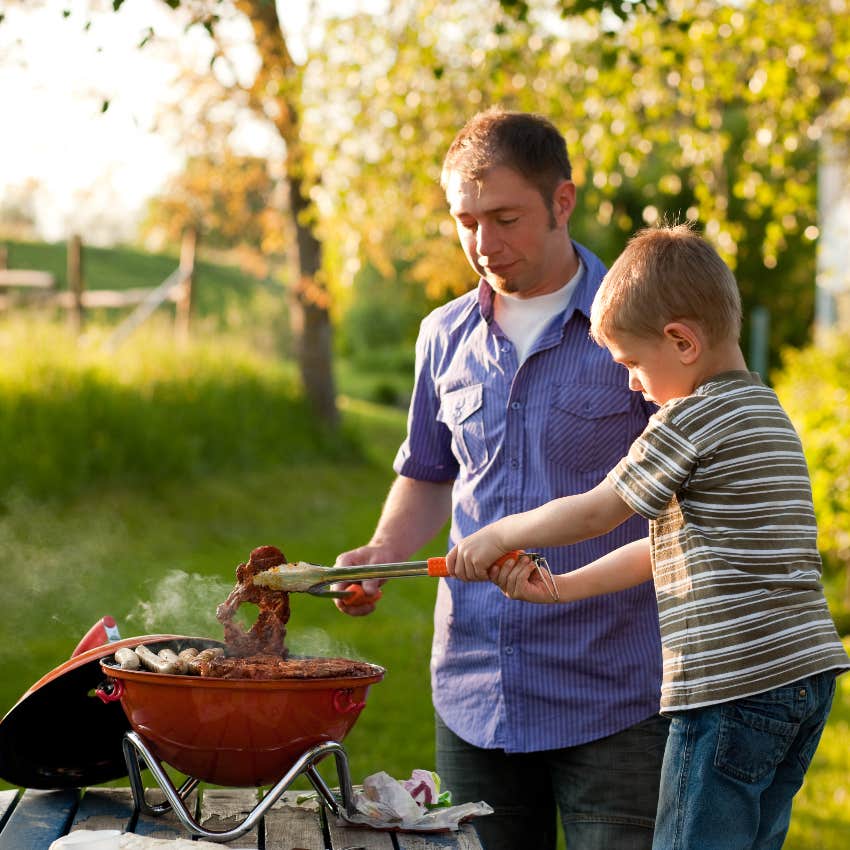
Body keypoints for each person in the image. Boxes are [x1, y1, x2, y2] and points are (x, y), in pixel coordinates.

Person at [447, 223, 850, 850]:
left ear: (682, 342)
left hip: (729, 687)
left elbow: (594, 512)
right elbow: (662, 548)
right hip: (801, 681)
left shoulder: (688, 419)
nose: (632, 383)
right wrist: (562, 588)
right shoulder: (763, 411)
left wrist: (497, 532)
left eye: (633, 364)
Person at [334, 108, 669, 850]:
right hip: (475, 694)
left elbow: (683, 502)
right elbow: (429, 473)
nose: (484, 244)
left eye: (505, 217)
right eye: (466, 221)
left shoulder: (642, 328)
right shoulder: (441, 335)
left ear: (562, 202)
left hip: (613, 695)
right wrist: (381, 552)